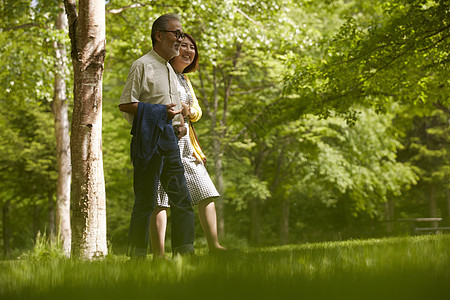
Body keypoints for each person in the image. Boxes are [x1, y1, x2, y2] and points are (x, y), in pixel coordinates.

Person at [118, 13, 195, 259]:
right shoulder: (142, 65)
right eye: (176, 34)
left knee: (181, 197)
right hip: (148, 139)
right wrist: (160, 112)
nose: (180, 40)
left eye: (181, 34)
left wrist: (180, 124)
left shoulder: (172, 70)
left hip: (171, 139)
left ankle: (184, 252)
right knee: (145, 201)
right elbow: (126, 104)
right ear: (159, 35)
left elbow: (174, 107)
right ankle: (137, 255)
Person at [149, 33, 227, 259]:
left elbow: (197, 111)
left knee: (205, 190)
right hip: (164, 139)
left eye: (192, 47)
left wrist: (188, 110)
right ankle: (159, 254)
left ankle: (214, 246)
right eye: (182, 45)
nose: (188, 50)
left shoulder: (185, 79)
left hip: (187, 142)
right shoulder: (162, 73)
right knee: (160, 196)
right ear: (172, 49)